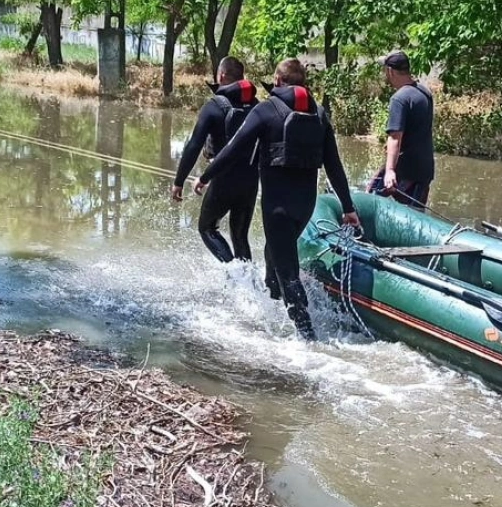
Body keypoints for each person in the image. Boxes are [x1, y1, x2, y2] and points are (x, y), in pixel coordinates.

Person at [194, 58, 360, 341]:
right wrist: (348, 207)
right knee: (273, 256)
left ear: (278, 81)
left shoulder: (266, 110)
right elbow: (334, 166)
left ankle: (308, 340)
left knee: (287, 273)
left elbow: (234, 149)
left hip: (277, 208)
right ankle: (270, 311)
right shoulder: (319, 114)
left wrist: (206, 175)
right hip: (304, 207)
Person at [170, 56, 260, 263]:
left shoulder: (214, 106)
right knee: (239, 236)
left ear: (221, 75)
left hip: (223, 178)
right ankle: (250, 284)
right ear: (241, 77)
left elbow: (193, 146)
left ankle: (235, 275)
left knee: (207, 228)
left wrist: (179, 181)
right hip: (251, 180)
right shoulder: (257, 106)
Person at [366, 50, 435, 209]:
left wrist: (390, 170)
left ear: (390, 71)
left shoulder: (399, 98)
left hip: (403, 170)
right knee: (415, 216)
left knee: (370, 201)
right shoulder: (425, 92)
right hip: (424, 169)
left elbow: (395, 137)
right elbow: (418, 129)